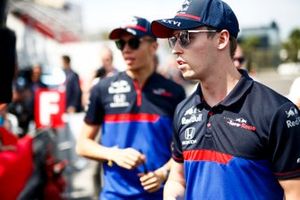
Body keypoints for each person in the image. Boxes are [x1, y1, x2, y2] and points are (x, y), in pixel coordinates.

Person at [151, 0, 300, 199]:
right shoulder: (183, 110)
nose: (176, 49)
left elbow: (294, 193)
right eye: (173, 39)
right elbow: (178, 179)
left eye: (185, 37)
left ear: (221, 39)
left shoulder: (277, 112)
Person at [76, 16, 186, 199]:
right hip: (114, 195)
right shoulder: (103, 88)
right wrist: (114, 154)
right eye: (121, 44)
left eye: (134, 42)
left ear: (154, 46)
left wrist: (164, 173)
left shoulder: (174, 92)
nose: (126, 49)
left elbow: (186, 149)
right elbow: (82, 145)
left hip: (161, 194)